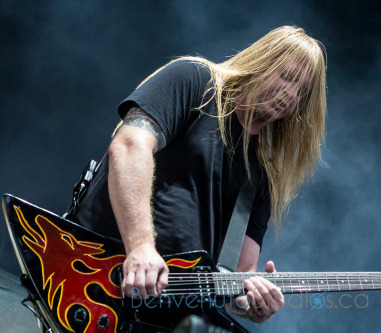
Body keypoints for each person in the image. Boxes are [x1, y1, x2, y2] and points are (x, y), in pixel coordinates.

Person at [74, 25, 326, 324]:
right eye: (287, 77)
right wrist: (140, 246)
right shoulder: (195, 82)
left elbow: (240, 274)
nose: (290, 94)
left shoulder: (260, 175)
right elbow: (129, 146)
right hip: (89, 273)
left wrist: (252, 302)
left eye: (302, 90)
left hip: (163, 317)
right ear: (262, 61)